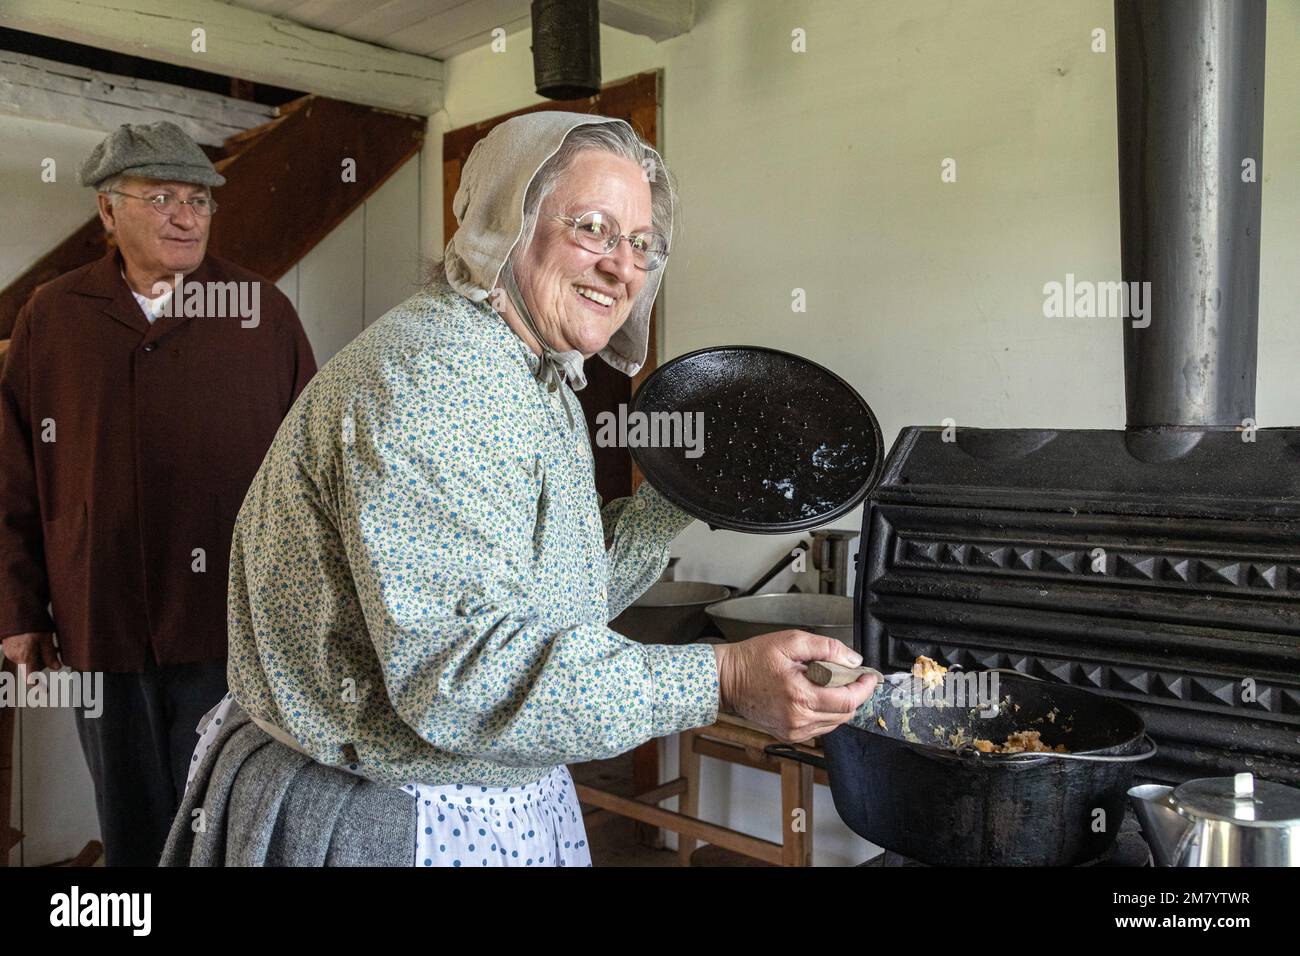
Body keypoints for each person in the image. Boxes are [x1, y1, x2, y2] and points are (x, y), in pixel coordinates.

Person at [163, 111, 873, 868]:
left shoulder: (534, 371)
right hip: (384, 813)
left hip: (475, 795)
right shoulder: (436, 378)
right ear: (508, 221)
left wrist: (680, 497)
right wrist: (722, 677)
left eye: (641, 244)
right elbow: (463, 672)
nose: (622, 266)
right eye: (593, 228)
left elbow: (557, 596)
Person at [0, 120, 316, 866]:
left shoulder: (260, 313)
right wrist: (17, 610)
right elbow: (11, 474)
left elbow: (312, 474)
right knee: (132, 820)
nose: (185, 215)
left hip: (231, 630)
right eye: (163, 197)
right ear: (108, 212)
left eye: (200, 200)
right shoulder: (52, 315)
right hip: (98, 621)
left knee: (228, 819)